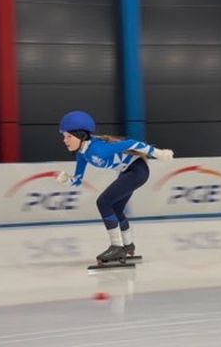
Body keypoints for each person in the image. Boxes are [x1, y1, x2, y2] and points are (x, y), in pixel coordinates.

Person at [57, 110, 174, 264]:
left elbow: (132, 143)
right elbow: (78, 180)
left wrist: (158, 153)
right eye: (64, 136)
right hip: (127, 172)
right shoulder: (82, 154)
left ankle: (117, 246)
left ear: (81, 135)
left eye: (68, 136)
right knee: (116, 208)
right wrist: (68, 179)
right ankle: (128, 245)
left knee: (103, 202)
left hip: (137, 171)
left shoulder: (97, 149)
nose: (64, 140)